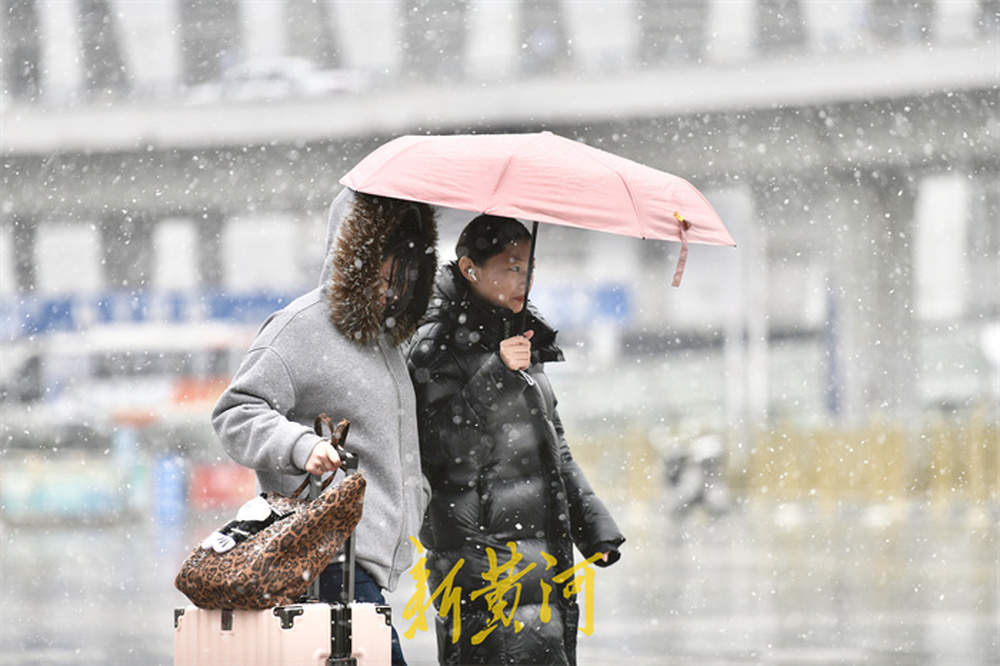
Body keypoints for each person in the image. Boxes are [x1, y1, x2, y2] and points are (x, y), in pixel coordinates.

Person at [212, 187, 438, 666]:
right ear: (352, 252)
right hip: (324, 560)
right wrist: (301, 446)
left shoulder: (391, 339)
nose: (393, 281)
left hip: (366, 564)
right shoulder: (300, 327)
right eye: (382, 262)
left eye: (405, 267)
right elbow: (235, 412)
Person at [407, 214, 625, 665]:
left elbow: (552, 448)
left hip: (540, 554)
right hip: (478, 559)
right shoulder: (436, 342)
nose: (523, 277)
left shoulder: (521, 337)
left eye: (528, 265)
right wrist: (497, 376)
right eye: (510, 265)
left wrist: (593, 526)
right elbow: (439, 449)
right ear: (469, 269)